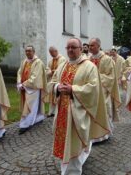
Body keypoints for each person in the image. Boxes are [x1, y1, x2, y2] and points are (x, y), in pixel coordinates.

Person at [48, 38, 110, 175]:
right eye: (68, 47)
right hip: (62, 112)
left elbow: (93, 89)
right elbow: (52, 82)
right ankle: (68, 165)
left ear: (81, 49)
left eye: (73, 47)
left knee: (75, 142)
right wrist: (57, 87)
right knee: (65, 141)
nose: (70, 50)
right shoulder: (63, 65)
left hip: (78, 112)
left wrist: (73, 90)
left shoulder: (89, 67)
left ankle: (72, 172)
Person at [89, 38, 121, 139]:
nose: (90, 47)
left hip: (103, 91)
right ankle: (93, 134)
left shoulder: (107, 59)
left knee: (105, 111)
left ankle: (104, 135)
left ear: (98, 46)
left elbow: (111, 78)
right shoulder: (88, 59)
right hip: (91, 91)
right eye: (89, 45)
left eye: (92, 45)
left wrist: (96, 77)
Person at [17, 45, 47, 134]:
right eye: (26, 51)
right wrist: (19, 82)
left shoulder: (38, 62)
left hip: (33, 88)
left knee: (30, 106)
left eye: (29, 51)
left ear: (34, 52)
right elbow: (19, 72)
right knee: (31, 105)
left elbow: (35, 76)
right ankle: (39, 117)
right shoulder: (24, 62)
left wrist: (24, 84)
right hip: (24, 87)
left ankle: (25, 124)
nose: (27, 52)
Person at [45, 46, 66, 117]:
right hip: (52, 80)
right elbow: (47, 69)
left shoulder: (62, 59)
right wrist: (50, 72)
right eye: (50, 52)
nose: (51, 54)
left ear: (56, 51)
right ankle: (51, 112)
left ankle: (57, 111)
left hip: (58, 80)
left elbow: (62, 69)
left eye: (51, 52)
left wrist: (53, 71)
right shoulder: (51, 61)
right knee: (52, 96)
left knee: (57, 95)